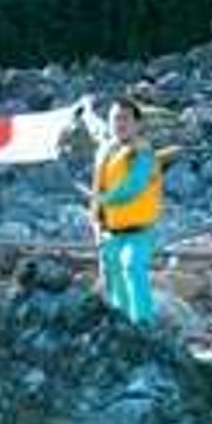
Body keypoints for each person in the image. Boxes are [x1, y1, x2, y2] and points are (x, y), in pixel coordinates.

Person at [88, 97, 163, 326]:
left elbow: (133, 187)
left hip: (139, 232)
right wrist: (88, 110)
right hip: (110, 231)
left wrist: (105, 198)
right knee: (113, 281)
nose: (118, 124)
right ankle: (120, 330)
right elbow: (96, 128)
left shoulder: (143, 154)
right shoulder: (108, 148)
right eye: (114, 119)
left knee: (131, 266)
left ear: (138, 124)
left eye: (124, 119)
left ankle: (144, 329)